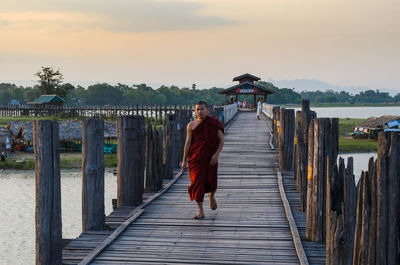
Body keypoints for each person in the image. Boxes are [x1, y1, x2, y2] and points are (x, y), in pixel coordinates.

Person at [181, 101, 224, 219]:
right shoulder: (191, 125)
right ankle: (200, 210)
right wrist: (184, 160)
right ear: (195, 111)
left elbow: (221, 140)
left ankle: (212, 195)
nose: (200, 111)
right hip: (196, 159)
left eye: (202, 109)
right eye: (197, 109)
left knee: (212, 181)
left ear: (208, 110)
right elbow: (188, 143)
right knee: (196, 183)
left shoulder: (214, 123)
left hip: (210, 158)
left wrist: (216, 155)